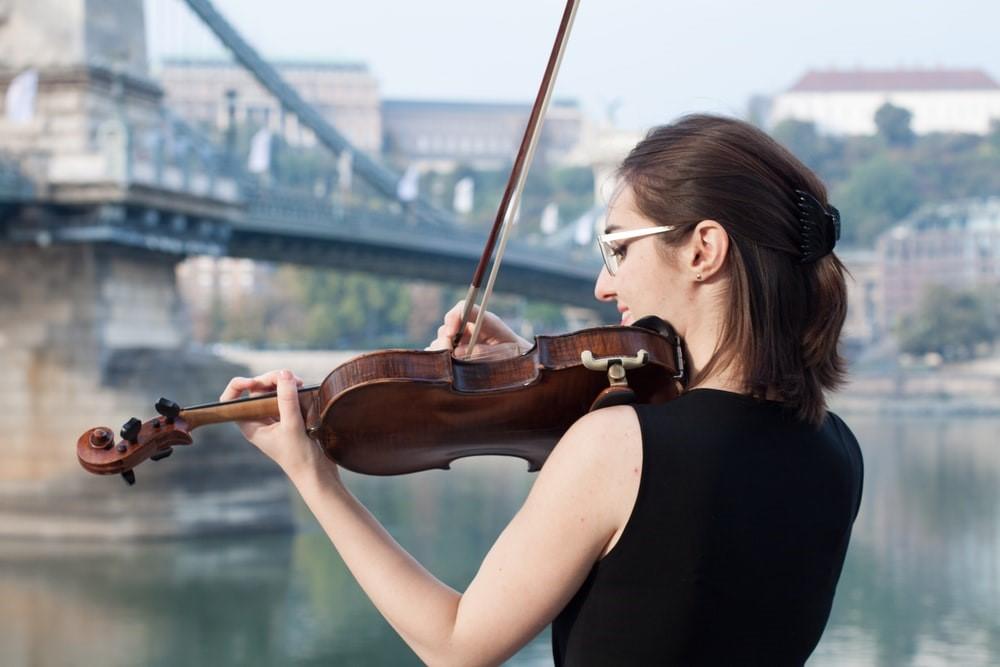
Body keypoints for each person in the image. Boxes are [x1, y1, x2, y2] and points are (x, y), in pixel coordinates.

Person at [220, 114, 863, 666]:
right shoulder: (838, 450)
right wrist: (524, 376)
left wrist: (314, 479)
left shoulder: (617, 445)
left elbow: (455, 645)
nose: (602, 287)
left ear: (703, 250)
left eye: (617, 249)